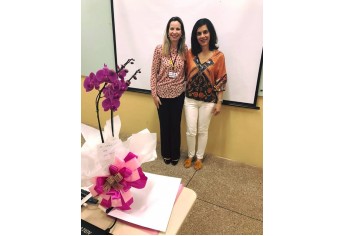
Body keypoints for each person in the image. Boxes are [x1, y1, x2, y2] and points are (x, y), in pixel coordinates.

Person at [183, 18, 227, 170]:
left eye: (205, 32)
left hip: (208, 101)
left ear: (211, 33)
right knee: (190, 130)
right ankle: (190, 155)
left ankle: (199, 157)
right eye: (199, 33)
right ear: (195, 36)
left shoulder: (219, 56)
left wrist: (219, 102)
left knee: (202, 130)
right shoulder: (189, 54)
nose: (202, 36)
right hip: (190, 100)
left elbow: (221, 79)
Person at [150, 16, 188, 166]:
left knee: (175, 125)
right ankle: (166, 153)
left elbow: (186, 71)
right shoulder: (159, 49)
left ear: (181, 32)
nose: (174, 32)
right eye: (172, 28)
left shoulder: (185, 50)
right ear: (167, 31)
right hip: (162, 96)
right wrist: (154, 94)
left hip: (178, 95)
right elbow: (153, 72)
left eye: (177, 29)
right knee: (165, 126)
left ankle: (175, 154)